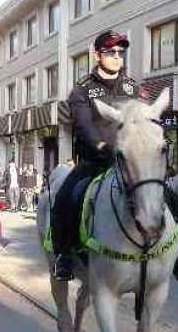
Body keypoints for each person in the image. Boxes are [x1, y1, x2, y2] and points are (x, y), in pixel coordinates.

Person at [50, 30, 146, 280]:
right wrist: (103, 148)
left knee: (163, 191)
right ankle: (64, 256)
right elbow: (84, 127)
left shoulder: (133, 87)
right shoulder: (82, 90)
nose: (116, 57)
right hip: (95, 162)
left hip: (130, 163)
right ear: (97, 55)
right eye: (110, 52)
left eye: (120, 52)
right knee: (64, 198)